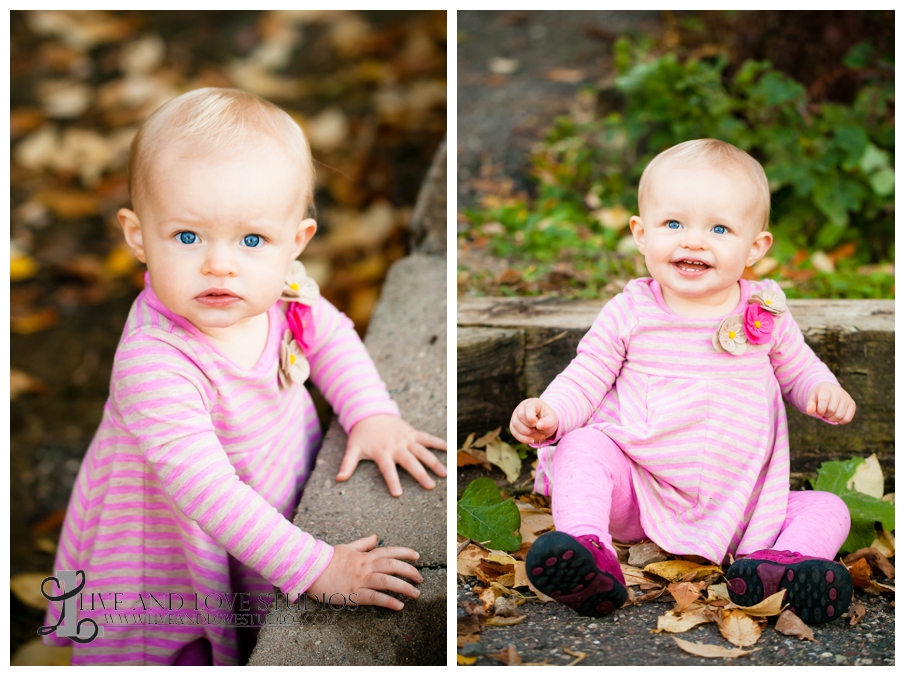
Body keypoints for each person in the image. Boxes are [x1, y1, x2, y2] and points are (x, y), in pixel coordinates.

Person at [41, 88, 447, 665]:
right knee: (178, 649)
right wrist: (316, 567)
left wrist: (371, 413)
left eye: (252, 239)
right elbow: (209, 493)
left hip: (260, 493)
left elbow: (328, 335)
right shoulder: (156, 362)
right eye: (187, 237)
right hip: (174, 543)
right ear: (137, 235)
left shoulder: (280, 288)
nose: (220, 264)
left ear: (295, 242)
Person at [510, 139, 855, 624]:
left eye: (718, 228)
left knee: (828, 507)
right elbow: (585, 376)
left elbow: (799, 368)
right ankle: (588, 552)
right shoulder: (631, 311)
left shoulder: (765, 311)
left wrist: (821, 390)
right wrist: (551, 413)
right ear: (641, 233)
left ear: (755, 246)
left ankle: (783, 566)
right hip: (640, 490)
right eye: (674, 224)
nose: (693, 241)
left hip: (740, 504)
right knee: (582, 445)